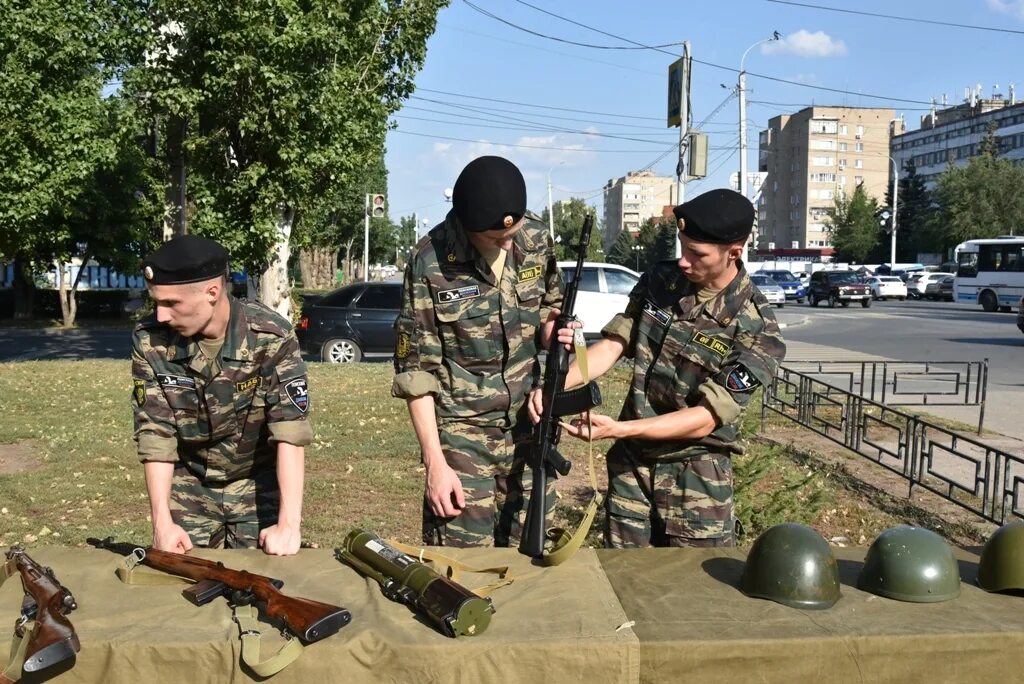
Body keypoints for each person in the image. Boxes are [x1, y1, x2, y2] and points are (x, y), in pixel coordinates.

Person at [530, 188, 786, 548]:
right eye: (683, 247)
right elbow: (616, 344)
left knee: (689, 591)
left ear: (734, 253)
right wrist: (555, 387)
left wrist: (619, 429)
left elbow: (705, 418)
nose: (684, 261)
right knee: (624, 580)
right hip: (631, 469)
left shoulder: (757, 328)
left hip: (695, 481)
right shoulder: (661, 283)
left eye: (697, 254)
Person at [393, 155, 564, 547]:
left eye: (513, 231)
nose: (508, 242)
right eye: (495, 238)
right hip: (462, 436)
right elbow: (416, 374)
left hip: (530, 428)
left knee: (537, 567)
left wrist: (558, 335)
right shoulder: (429, 261)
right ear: (468, 226)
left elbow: (548, 313)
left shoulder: (535, 239)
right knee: (462, 568)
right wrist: (435, 464)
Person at [131, 235, 312, 555]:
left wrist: (288, 525)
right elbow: (155, 434)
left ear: (212, 293)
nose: (160, 315)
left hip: (258, 487)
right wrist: (162, 523)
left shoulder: (270, 337)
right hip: (190, 488)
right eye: (156, 302)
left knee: (271, 586)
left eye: (171, 303)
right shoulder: (151, 340)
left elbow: (290, 431)